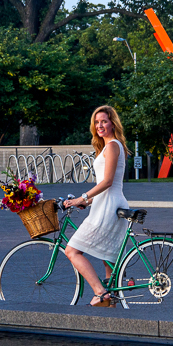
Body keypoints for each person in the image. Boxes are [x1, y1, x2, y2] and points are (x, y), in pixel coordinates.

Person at [64, 105, 129, 307]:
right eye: (97, 122)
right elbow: (109, 185)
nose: (100, 125)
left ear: (112, 123)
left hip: (109, 206)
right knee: (107, 255)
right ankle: (111, 302)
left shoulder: (112, 146)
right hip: (110, 203)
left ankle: (100, 293)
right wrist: (89, 201)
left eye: (104, 121)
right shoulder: (110, 146)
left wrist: (81, 198)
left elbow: (108, 182)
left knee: (72, 251)